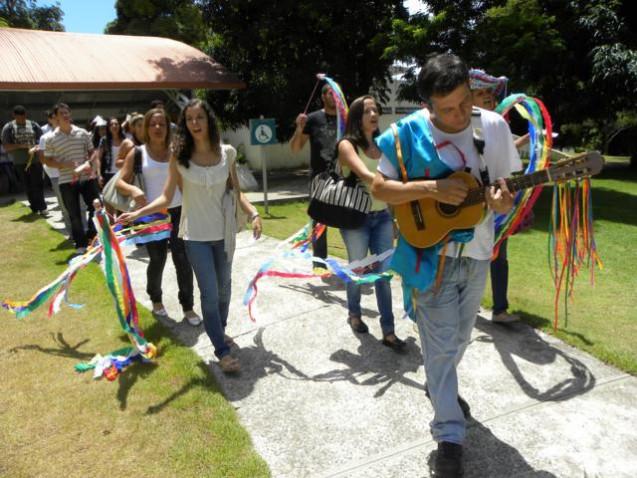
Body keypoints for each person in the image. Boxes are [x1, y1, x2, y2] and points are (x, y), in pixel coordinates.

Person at [372, 54, 520, 477]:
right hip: (428, 257)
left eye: (462, 104)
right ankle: (449, 436)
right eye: (445, 109)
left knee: (457, 342)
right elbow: (381, 188)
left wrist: (502, 201)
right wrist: (433, 187)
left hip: (476, 257)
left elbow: (506, 192)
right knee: (438, 349)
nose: (456, 116)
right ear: (428, 106)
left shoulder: (492, 127)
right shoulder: (406, 134)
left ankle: (442, 392)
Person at [118, 99, 262, 374]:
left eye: (200, 118)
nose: (195, 123)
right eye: (190, 119)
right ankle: (220, 349)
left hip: (225, 234)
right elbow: (166, 196)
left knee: (224, 290)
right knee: (209, 294)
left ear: (209, 121)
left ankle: (219, 330)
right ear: (185, 124)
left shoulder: (227, 152)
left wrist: (254, 212)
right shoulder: (180, 157)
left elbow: (236, 190)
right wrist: (138, 214)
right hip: (195, 236)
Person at [116, 108, 201, 326]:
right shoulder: (137, 153)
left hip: (178, 210)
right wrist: (134, 191)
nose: (157, 128)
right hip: (150, 215)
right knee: (157, 259)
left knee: (183, 260)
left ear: (168, 127)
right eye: (153, 124)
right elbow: (120, 181)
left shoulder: (177, 151)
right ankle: (155, 299)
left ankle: (188, 307)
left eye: (162, 124)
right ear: (146, 128)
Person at [336, 95, 406, 352]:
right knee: (358, 270)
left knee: (383, 274)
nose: (374, 114)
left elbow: (390, 187)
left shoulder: (383, 146)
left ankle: (388, 330)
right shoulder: (346, 145)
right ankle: (354, 313)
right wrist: (389, 184)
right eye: (368, 110)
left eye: (376, 109)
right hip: (356, 219)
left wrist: (395, 216)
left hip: (383, 217)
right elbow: (367, 176)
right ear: (357, 116)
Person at [470, 68, 526, 323]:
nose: (486, 98)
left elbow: (504, 165)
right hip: (462, 216)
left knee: (498, 254)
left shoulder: (496, 126)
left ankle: (499, 309)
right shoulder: (451, 126)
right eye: (479, 92)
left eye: (489, 94)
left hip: (492, 208)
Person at [289, 83, 338, 272]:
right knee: (319, 223)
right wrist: (299, 129)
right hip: (319, 180)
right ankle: (319, 265)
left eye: (336, 92)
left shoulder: (346, 119)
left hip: (344, 179)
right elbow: (295, 149)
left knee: (349, 220)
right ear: (323, 96)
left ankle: (356, 263)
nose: (333, 96)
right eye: (329, 92)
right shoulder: (313, 119)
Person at [43, 103, 101, 254]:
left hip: (87, 178)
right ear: (55, 117)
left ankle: (92, 236)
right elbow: (47, 160)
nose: (65, 115)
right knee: (74, 214)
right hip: (66, 181)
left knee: (95, 207)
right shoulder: (50, 138)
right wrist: (62, 164)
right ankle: (81, 244)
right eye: (61, 113)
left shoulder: (82, 133)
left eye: (67, 112)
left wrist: (89, 163)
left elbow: (92, 152)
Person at [1, 105, 46, 215]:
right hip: (20, 162)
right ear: (14, 116)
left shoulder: (34, 125)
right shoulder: (9, 127)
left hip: (35, 160)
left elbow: (42, 142)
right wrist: (22, 146)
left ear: (26, 115)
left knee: (38, 183)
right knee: (27, 185)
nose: (21, 120)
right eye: (18, 118)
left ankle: (42, 207)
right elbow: (6, 147)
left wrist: (35, 148)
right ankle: (34, 207)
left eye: (23, 117)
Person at [38, 111, 73, 232]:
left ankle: (80, 230)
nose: (58, 119)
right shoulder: (45, 137)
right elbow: (43, 159)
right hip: (56, 175)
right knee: (64, 205)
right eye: (55, 118)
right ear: (50, 120)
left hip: (72, 173)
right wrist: (60, 164)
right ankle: (72, 233)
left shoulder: (70, 134)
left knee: (76, 204)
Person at [97, 116, 126, 186]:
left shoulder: (125, 140)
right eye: (111, 124)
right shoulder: (104, 140)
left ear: (119, 126)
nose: (114, 126)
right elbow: (98, 158)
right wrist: (99, 175)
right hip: (109, 174)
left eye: (116, 124)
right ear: (108, 127)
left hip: (123, 173)